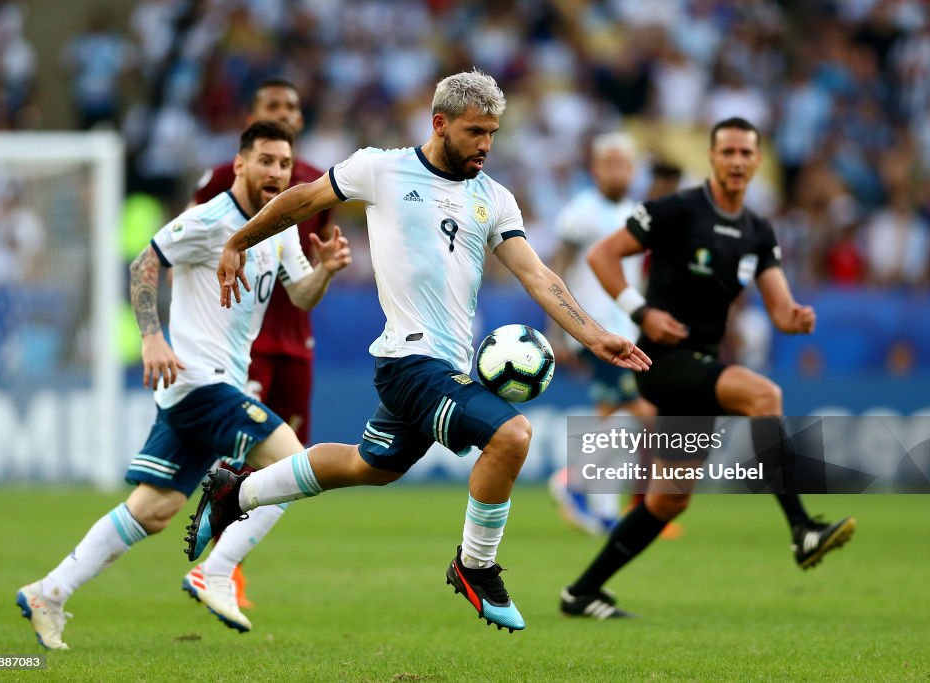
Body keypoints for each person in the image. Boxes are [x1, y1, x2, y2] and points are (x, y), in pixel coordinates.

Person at [184, 70, 651, 634]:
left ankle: (237, 492)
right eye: (475, 131)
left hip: (445, 365)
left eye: (493, 134)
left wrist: (594, 334)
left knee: (369, 465)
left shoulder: (494, 198)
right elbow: (302, 200)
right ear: (440, 123)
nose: (485, 144)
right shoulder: (381, 168)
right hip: (409, 362)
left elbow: (536, 273)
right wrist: (237, 241)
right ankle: (475, 565)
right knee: (512, 435)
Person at [15, 121, 352, 649]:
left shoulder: (281, 227)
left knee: (153, 510)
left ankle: (49, 592)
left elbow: (302, 297)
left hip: (202, 390)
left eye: (284, 164)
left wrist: (325, 271)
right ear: (239, 164)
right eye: (265, 160)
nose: (276, 172)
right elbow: (143, 262)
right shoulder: (211, 219)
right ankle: (214, 571)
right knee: (293, 466)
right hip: (199, 381)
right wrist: (151, 337)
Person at [559, 117, 856, 620]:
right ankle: (802, 529)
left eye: (746, 153)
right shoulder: (677, 210)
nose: (737, 161)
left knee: (669, 499)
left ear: (757, 161)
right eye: (728, 152)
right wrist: (642, 312)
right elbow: (602, 255)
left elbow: (780, 308)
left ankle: (582, 592)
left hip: (702, 365)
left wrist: (795, 318)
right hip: (663, 362)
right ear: (713, 158)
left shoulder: (758, 230)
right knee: (764, 396)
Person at [189, 78, 333, 609]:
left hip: (296, 337)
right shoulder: (223, 179)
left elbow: (307, 262)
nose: (286, 113)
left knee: (286, 467)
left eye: (292, 106)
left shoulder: (317, 182)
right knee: (244, 457)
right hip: (244, 338)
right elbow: (186, 241)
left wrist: (328, 271)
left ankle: (223, 567)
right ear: (251, 116)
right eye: (273, 106)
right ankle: (221, 569)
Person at [546, 144, 680, 536]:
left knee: (612, 416)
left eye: (625, 164)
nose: (618, 172)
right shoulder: (580, 213)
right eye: (610, 164)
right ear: (596, 168)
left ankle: (603, 509)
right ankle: (572, 479)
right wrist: (558, 327)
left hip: (627, 329)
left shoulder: (632, 213)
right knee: (646, 413)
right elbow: (556, 271)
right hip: (595, 331)